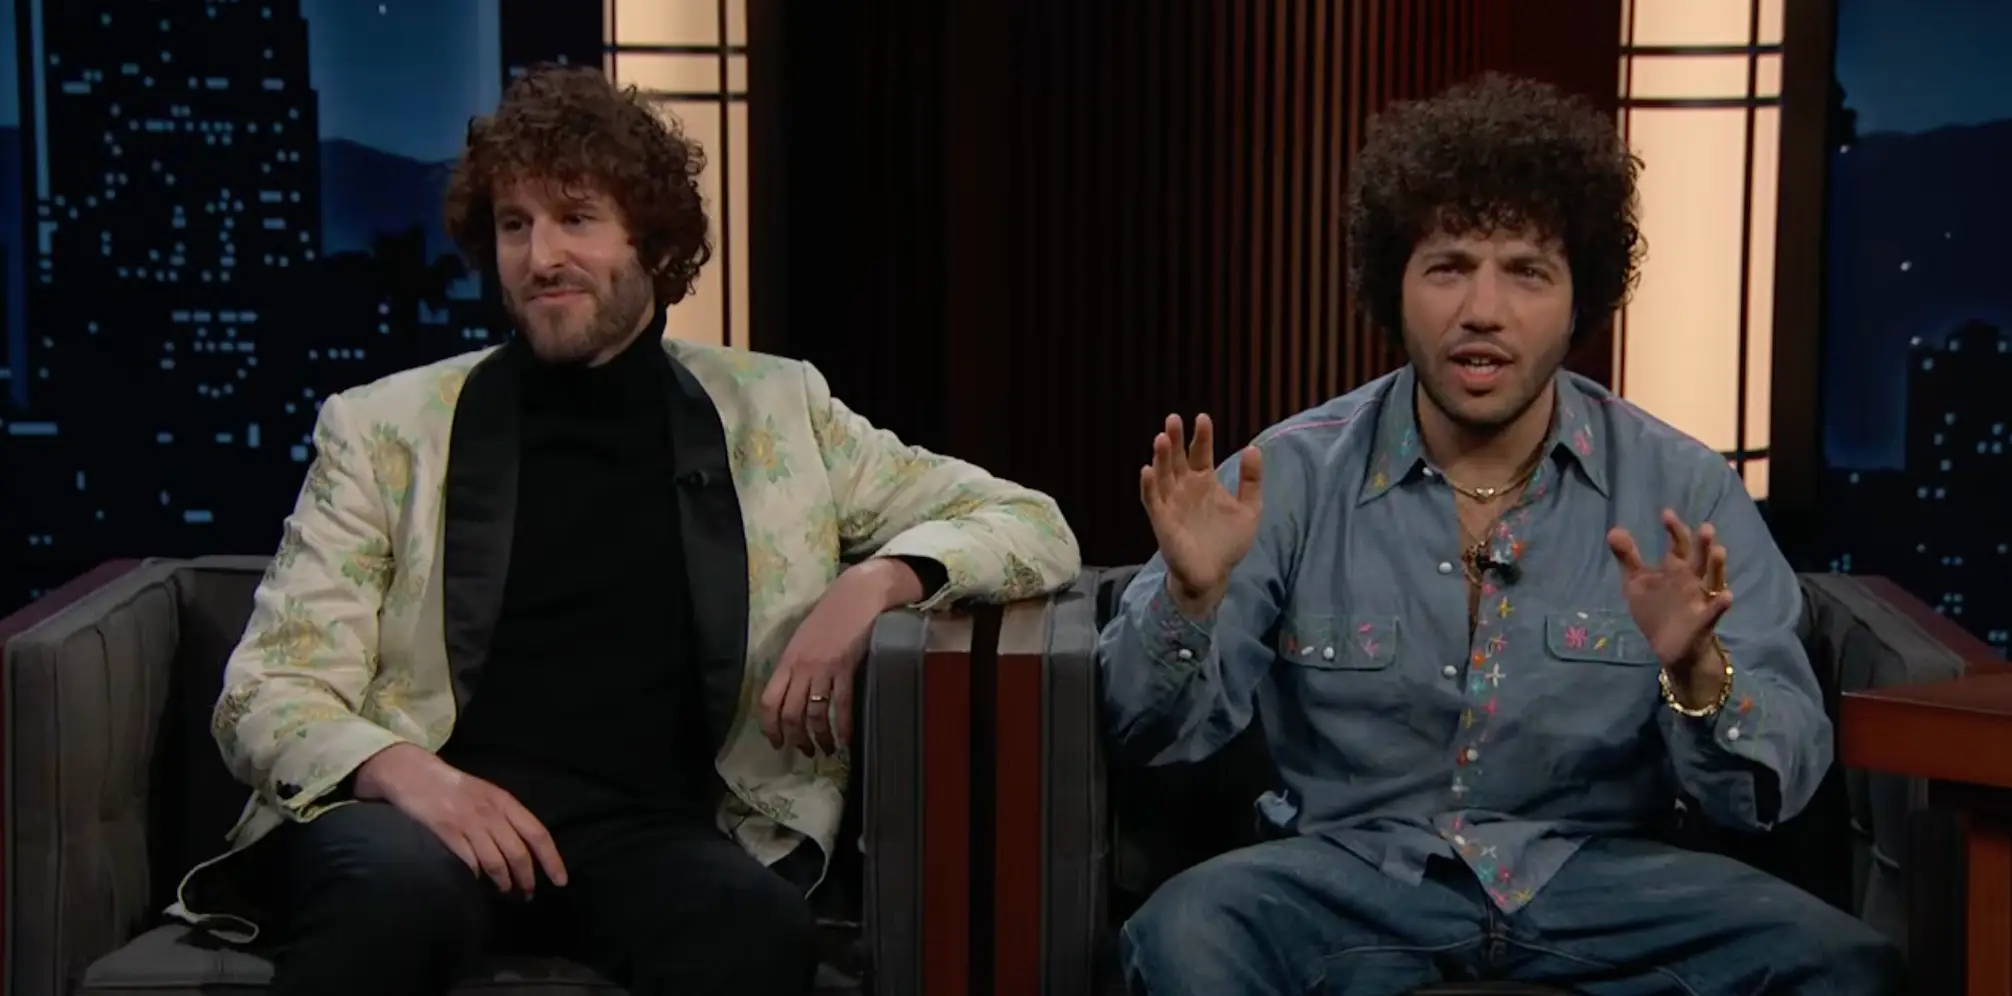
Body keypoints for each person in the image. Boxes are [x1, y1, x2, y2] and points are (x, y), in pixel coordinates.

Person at [173, 66, 1081, 996]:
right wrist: (407, 774)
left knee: (756, 932)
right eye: (515, 225)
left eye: (576, 218)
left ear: (654, 239)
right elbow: (266, 692)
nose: (540, 256)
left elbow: (1030, 522)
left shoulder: (777, 413)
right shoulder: (387, 431)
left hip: (647, 837)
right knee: (390, 894)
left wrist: (874, 583)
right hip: (423, 823)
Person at [1101, 74, 1901, 996]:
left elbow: (1778, 777)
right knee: (1184, 934)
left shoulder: (1681, 488)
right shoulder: (1289, 476)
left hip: (1606, 879)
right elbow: (1142, 732)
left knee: (1845, 966)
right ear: (1394, 286)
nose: (1483, 309)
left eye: (1527, 271)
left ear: (1579, 297)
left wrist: (1698, 678)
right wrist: (1191, 601)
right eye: (1448, 267)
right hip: (1348, 875)